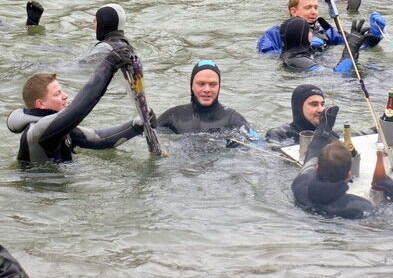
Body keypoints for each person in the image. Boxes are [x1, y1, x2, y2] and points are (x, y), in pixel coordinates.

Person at [6, 44, 145, 166]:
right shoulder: (39, 131)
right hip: (43, 194)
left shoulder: (57, 128)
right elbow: (78, 109)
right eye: (57, 94)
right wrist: (109, 65)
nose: (65, 96)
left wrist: (137, 125)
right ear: (40, 104)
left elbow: (101, 140)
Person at [291, 106, 393, 219]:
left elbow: (312, 153)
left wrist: (324, 129)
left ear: (316, 167)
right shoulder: (358, 207)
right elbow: (392, 219)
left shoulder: (299, 185)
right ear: (348, 175)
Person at [265, 84, 393, 146]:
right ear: (298, 108)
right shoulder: (279, 134)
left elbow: (369, 133)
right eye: (313, 104)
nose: (320, 109)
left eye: (322, 104)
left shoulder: (330, 134)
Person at [256, 0, 385, 54]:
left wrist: (375, 36)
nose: (314, 12)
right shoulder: (274, 33)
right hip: (299, 72)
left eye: (316, 7)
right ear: (294, 11)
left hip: (327, 68)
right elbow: (265, 56)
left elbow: (354, 46)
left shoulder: (324, 30)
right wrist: (303, 49)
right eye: (308, 8)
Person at [157, 60, 254, 137]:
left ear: (219, 87)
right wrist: (142, 125)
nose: (207, 89)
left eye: (212, 84)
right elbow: (146, 135)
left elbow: (257, 143)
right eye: (201, 84)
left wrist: (268, 140)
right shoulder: (173, 116)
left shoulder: (233, 119)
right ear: (192, 86)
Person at [279, 16, 368, 73]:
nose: (312, 33)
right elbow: (337, 75)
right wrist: (351, 48)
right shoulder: (299, 61)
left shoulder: (290, 54)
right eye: (309, 31)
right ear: (303, 37)